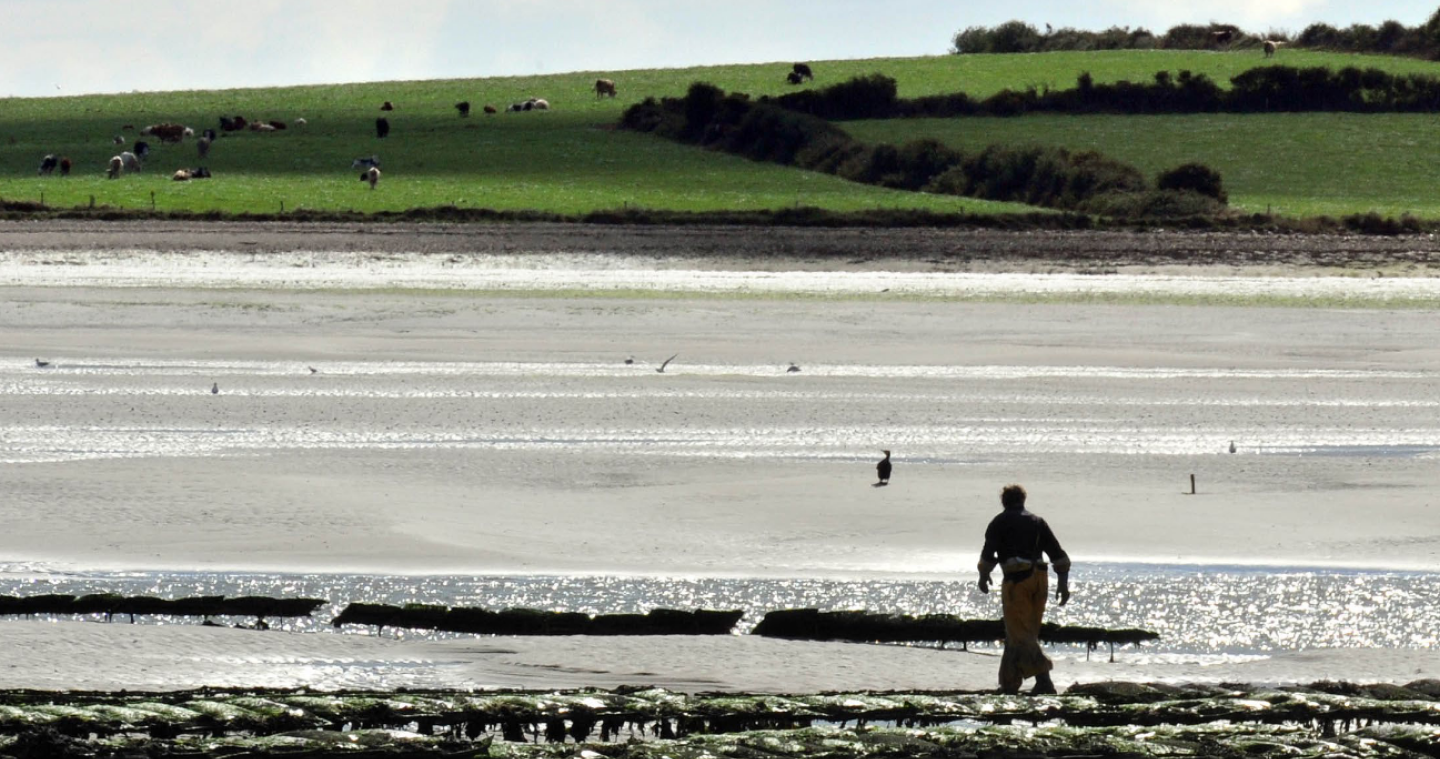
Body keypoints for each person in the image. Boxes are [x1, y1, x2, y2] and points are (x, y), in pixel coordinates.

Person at [977, 484, 1071, 695]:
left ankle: (1044, 680)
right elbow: (1058, 555)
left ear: (1004, 501)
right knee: (1020, 632)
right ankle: (1009, 683)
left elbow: (987, 554)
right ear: (1023, 500)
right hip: (1040, 579)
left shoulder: (999, 522)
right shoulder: (1037, 522)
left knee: (1020, 634)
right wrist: (1063, 584)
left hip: (1017, 581)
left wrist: (983, 575)